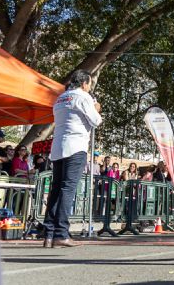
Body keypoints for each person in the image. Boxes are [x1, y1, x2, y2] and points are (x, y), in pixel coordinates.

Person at [43, 70, 102, 248]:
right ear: (84, 83)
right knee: (67, 189)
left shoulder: (60, 99)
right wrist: (96, 107)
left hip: (58, 147)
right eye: (89, 84)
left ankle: (48, 234)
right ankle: (61, 233)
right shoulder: (83, 97)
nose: (90, 87)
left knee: (56, 189)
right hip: (76, 146)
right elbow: (96, 120)